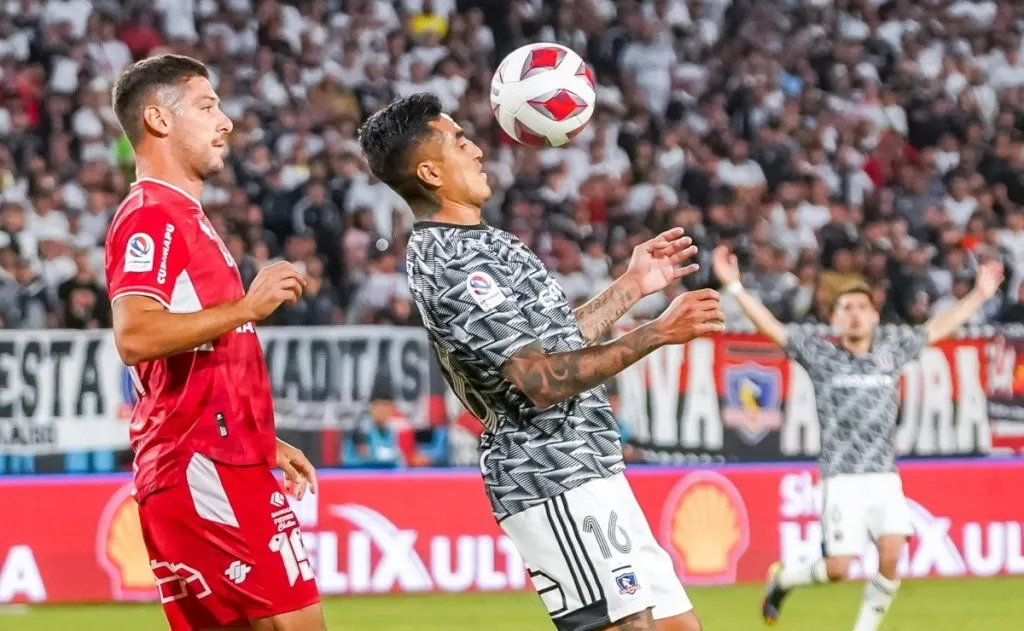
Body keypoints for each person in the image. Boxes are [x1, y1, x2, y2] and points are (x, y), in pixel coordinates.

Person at [358, 93, 725, 631]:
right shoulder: (451, 264)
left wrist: (631, 288)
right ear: (431, 171)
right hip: (547, 473)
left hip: (591, 462)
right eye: (460, 141)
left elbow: (554, 344)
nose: (478, 150)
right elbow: (536, 381)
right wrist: (655, 334)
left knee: (677, 627)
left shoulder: (488, 242)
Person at [105, 54, 327, 631]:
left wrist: (264, 438)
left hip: (221, 459)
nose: (225, 121)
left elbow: (201, 358)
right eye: (207, 106)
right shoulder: (152, 214)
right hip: (205, 468)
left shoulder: (186, 217)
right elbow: (135, 334)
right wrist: (249, 307)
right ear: (158, 119)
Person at [711, 245, 1003, 631]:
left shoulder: (891, 351)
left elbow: (939, 326)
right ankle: (783, 580)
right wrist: (734, 288)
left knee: (892, 553)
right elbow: (773, 328)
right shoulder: (820, 355)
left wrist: (980, 294)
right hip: (842, 478)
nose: (854, 314)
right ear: (834, 318)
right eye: (845, 308)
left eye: (861, 307)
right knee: (837, 569)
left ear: (874, 316)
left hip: (884, 476)